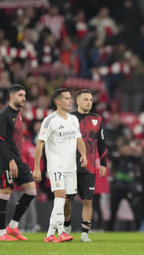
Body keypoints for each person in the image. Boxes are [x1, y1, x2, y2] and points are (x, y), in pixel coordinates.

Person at [33, 88, 87, 243]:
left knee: (65, 200)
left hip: (71, 167)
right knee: (60, 197)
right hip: (56, 165)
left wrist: (83, 154)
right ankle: (62, 232)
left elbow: (79, 139)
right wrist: (37, 168)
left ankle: (50, 234)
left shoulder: (73, 119)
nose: (71, 101)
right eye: (67, 98)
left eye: (70, 98)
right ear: (58, 101)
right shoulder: (50, 121)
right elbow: (39, 145)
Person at [63, 89, 107, 242]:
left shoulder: (98, 119)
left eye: (91, 99)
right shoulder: (68, 118)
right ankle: (67, 227)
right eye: (86, 99)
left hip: (88, 168)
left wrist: (103, 163)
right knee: (67, 200)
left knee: (88, 201)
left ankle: (84, 234)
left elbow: (102, 143)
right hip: (70, 166)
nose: (89, 102)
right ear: (78, 102)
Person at [0, 84, 36, 241]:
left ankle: (13, 226)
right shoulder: (4, 114)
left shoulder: (19, 114)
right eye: (21, 95)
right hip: (7, 161)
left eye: (25, 95)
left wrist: (18, 160)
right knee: (4, 195)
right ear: (12, 96)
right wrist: (11, 161)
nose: (24, 98)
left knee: (31, 192)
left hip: (20, 161)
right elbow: (0, 140)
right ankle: (1, 233)